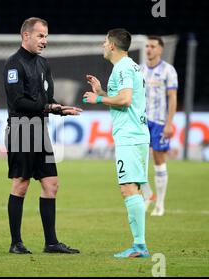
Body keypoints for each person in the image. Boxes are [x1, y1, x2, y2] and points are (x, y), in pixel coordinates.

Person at [3, 17, 82, 254]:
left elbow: (47, 101)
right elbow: (18, 102)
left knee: (51, 185)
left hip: (40, 131)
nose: (44, 41)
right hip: (21, 129)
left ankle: (51, 243)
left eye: (46, 36)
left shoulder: (43, 64)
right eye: (40, 35)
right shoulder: (14, 64)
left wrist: (61, 108)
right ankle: (16, 243)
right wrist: (49, 108)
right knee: (21, 184)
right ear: (26, 36)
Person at [83, 28, 150, 258]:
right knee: (134, 188)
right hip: (136, 133)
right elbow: (124, 100)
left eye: (104, 42)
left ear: (112, 45)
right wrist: (101, 89)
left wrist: (98, 98)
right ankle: (139, 245)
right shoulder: (130, 67)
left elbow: (125, 100)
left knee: (128, 188)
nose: (102, 45)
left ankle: (139, 247)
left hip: (130, 136)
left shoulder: (122, 68)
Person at [140, 36, 178, 216]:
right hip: (141, 121)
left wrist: (169, 123)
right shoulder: (139, 70)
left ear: (160, 50)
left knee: (158, 159)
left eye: (153, 46)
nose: (149, 49)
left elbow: (172, 98)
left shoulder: (168, 70)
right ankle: (148, 195)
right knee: (138, 161)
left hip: (160, 122)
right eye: (147, 46)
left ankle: (160, 204)